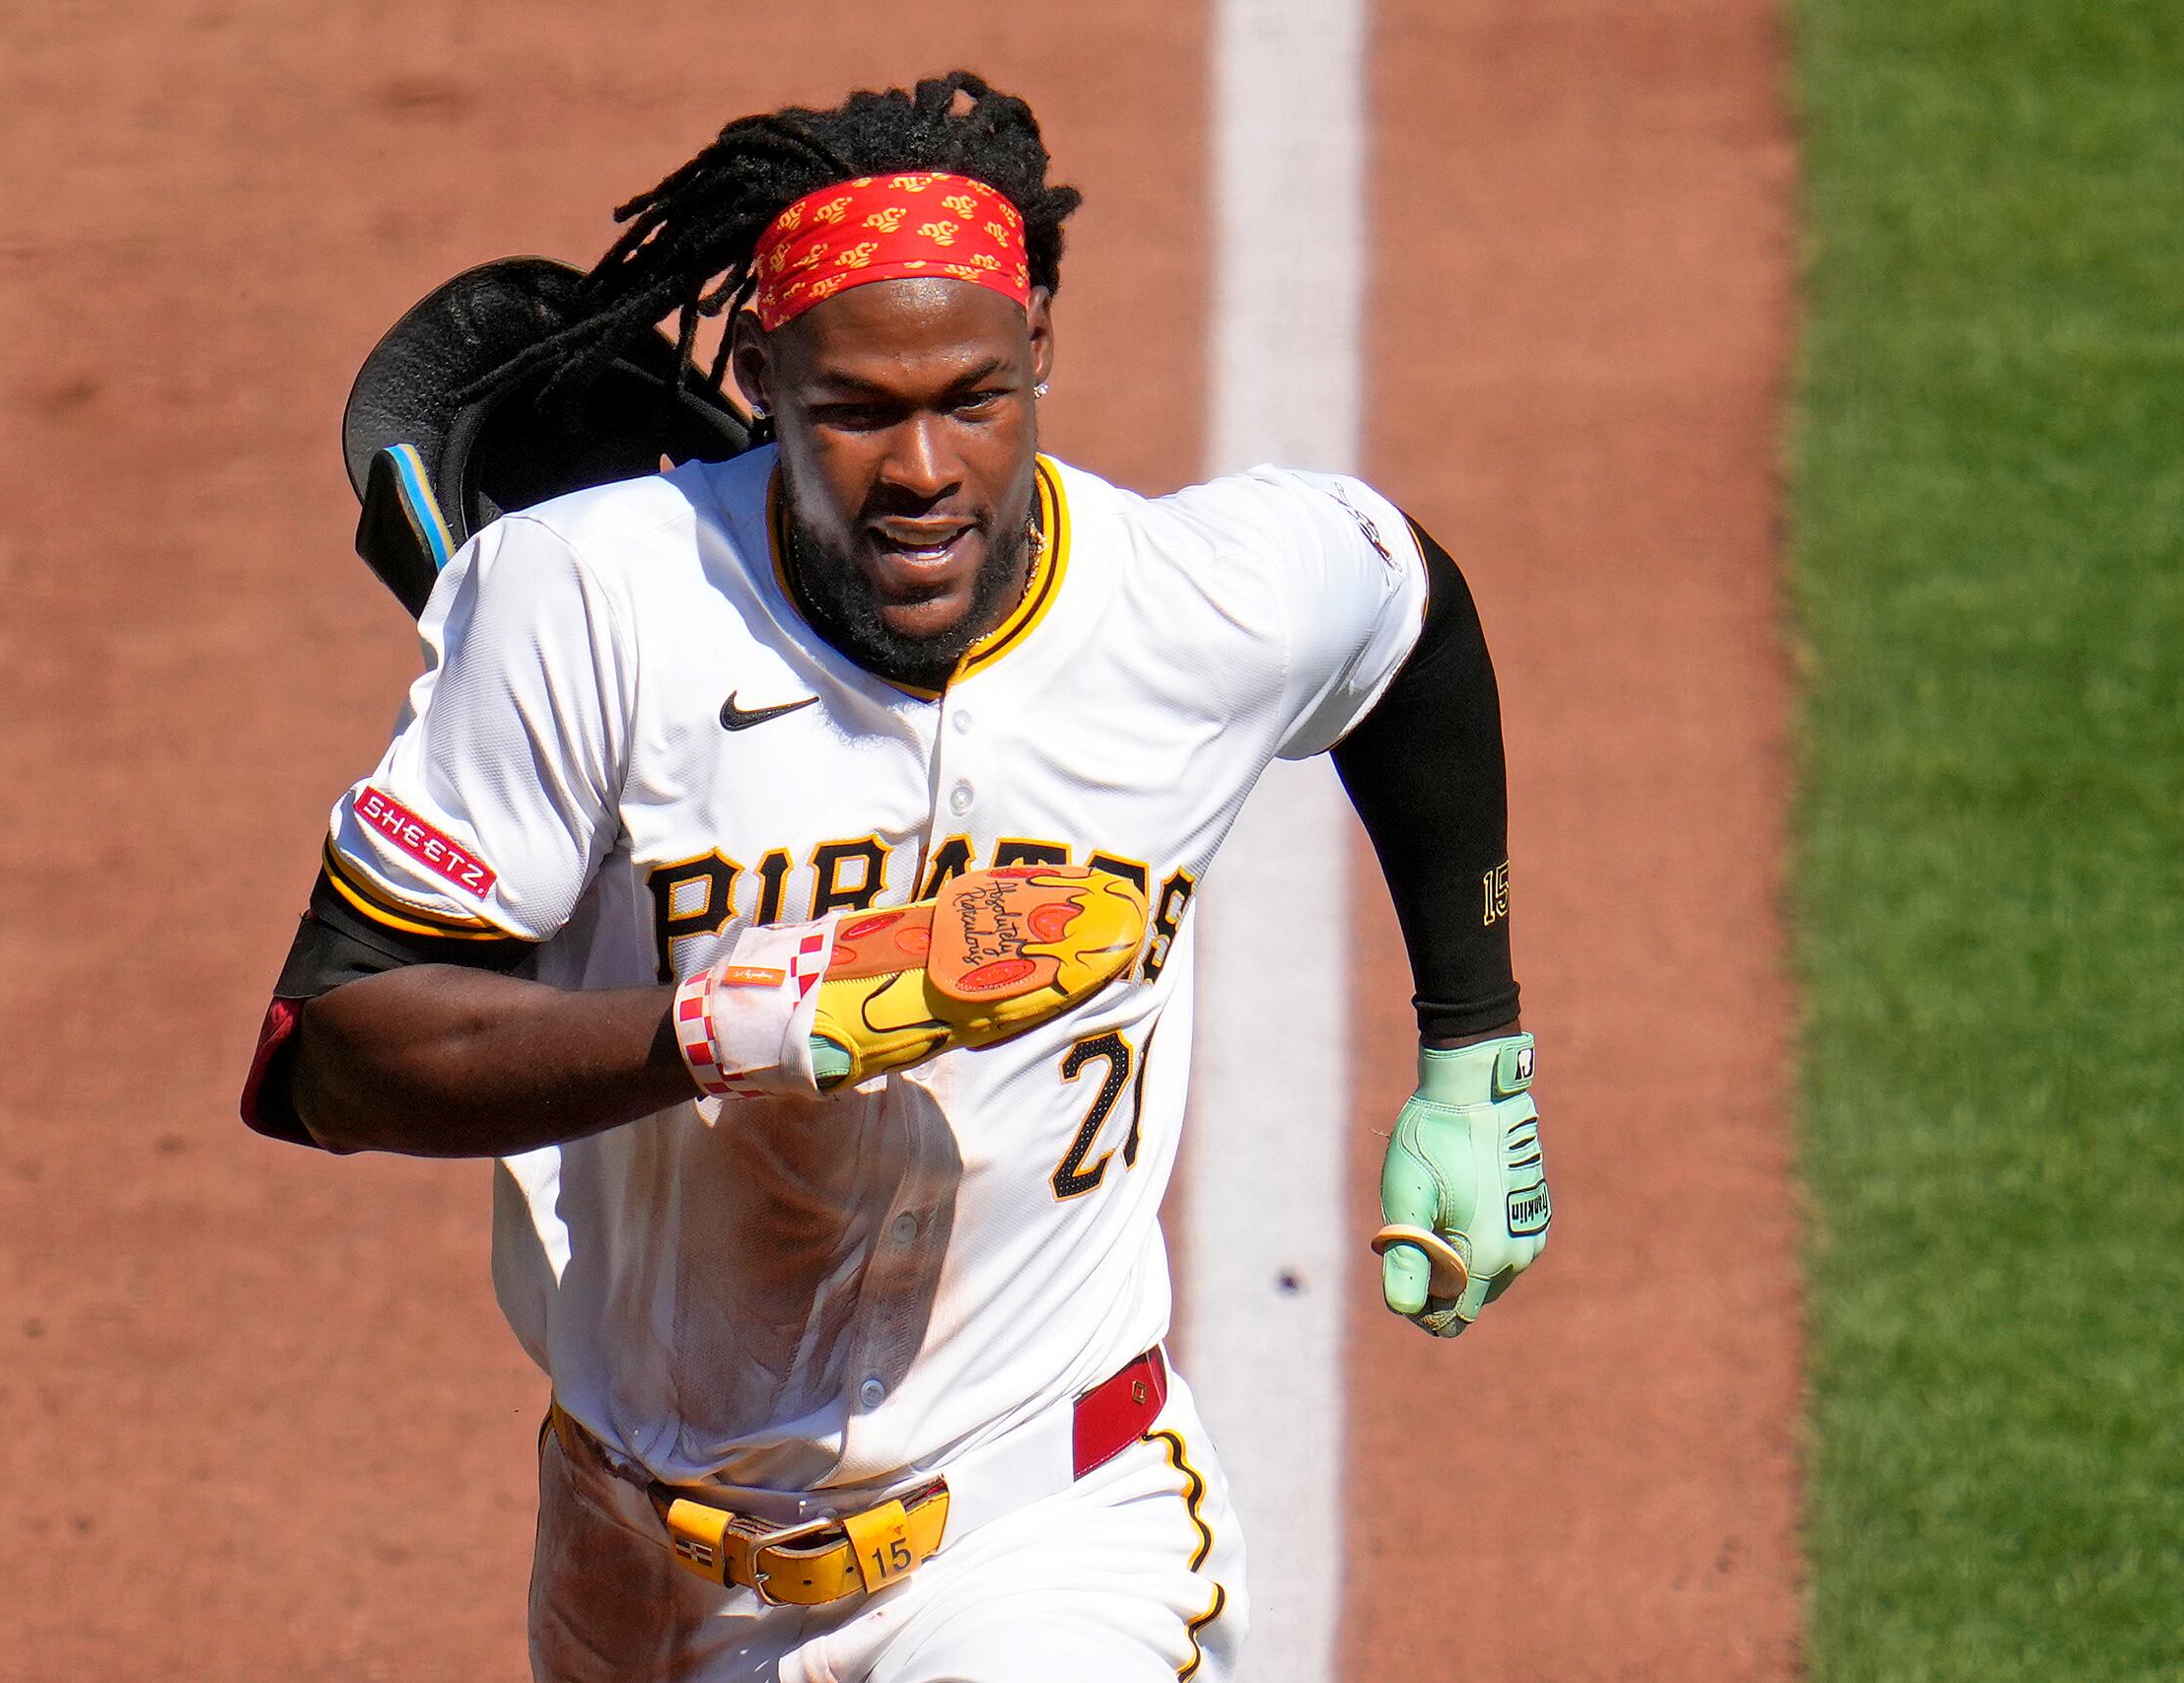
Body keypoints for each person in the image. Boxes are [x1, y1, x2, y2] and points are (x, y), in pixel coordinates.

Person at [240, 70, 1550, 1683]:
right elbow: (336, 1057)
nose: (924, 466)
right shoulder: (588, 606)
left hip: (1048, 1532)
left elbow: (1406, 612)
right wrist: (760, 1019)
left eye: (974, 398)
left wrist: (1474, 1050)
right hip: (637, 1565)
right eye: (856, 411)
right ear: (766, 382)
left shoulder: (1192, 604)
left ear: (1040, 352)